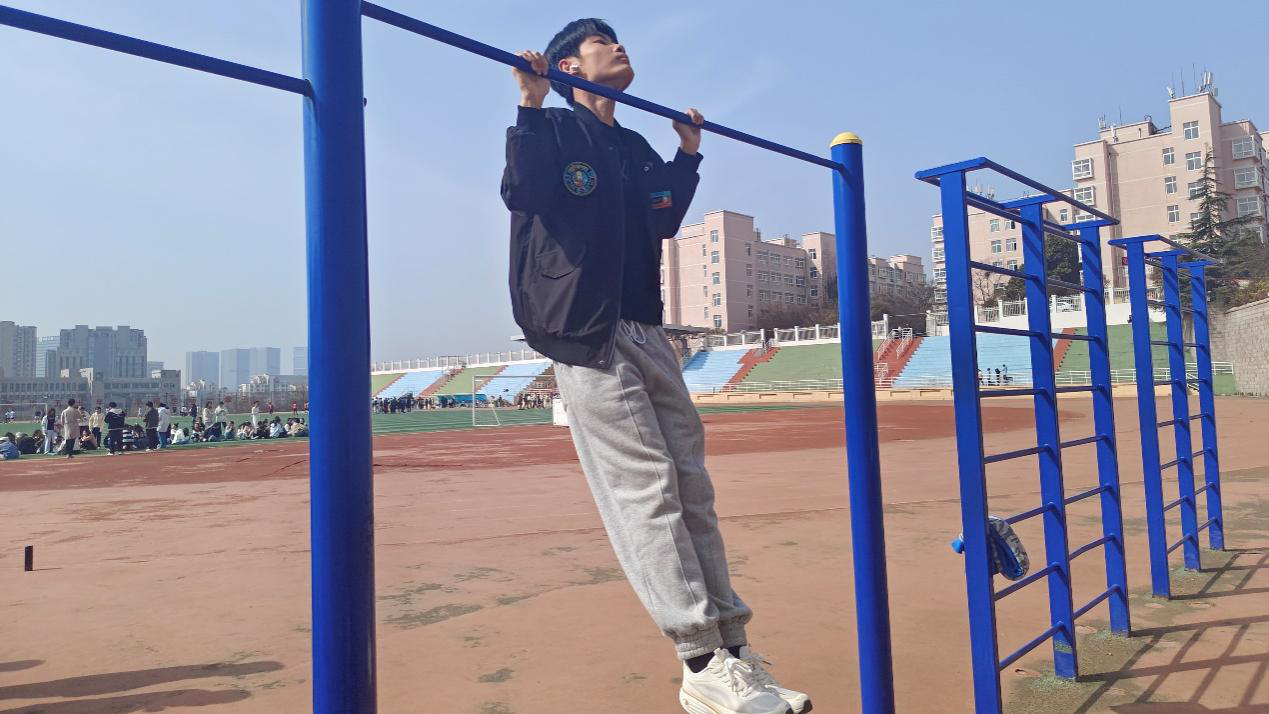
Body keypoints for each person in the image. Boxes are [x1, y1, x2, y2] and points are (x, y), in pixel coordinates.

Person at [503, 21, 806, 714]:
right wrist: (529, 104)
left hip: (646, 326)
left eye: (618, 39)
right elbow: (522, 192)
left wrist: (687, 154)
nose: (619, 47)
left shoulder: (633, 145)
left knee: (691, 485)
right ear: (567, 65)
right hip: (585, 328)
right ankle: (699, 659)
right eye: (601, 41)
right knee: (647, 490)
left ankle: (734, 653)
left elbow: (662, 219)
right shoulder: (551, 129)